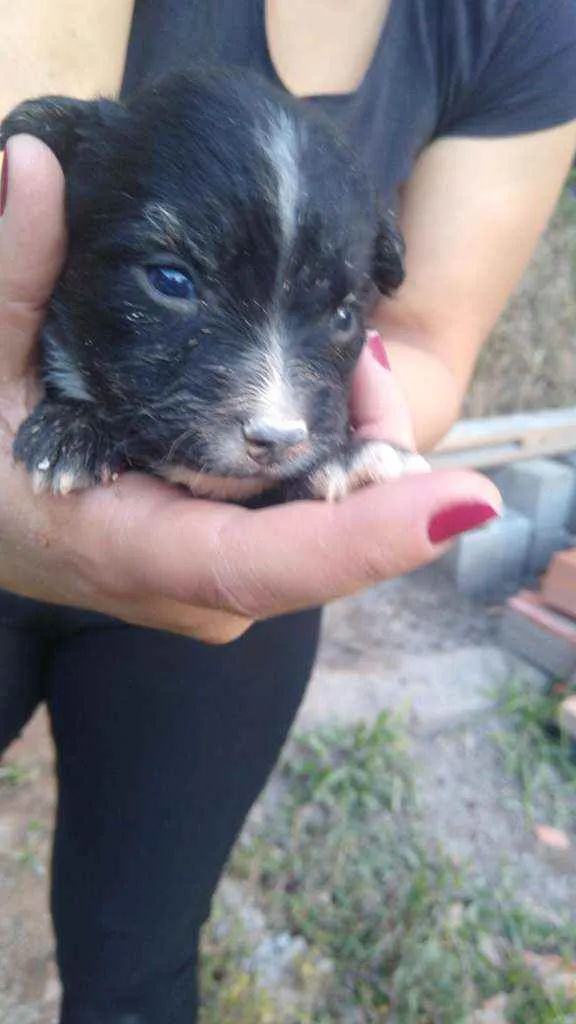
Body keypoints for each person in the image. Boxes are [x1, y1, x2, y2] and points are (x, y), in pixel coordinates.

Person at [0, 1, 574, 1020]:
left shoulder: (521, 21)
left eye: (334, 310)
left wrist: (353, 457)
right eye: (171, 280)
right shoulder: (85, 146)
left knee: (137, 959)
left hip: (239, 593)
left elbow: (426, 337)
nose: (271, 412)